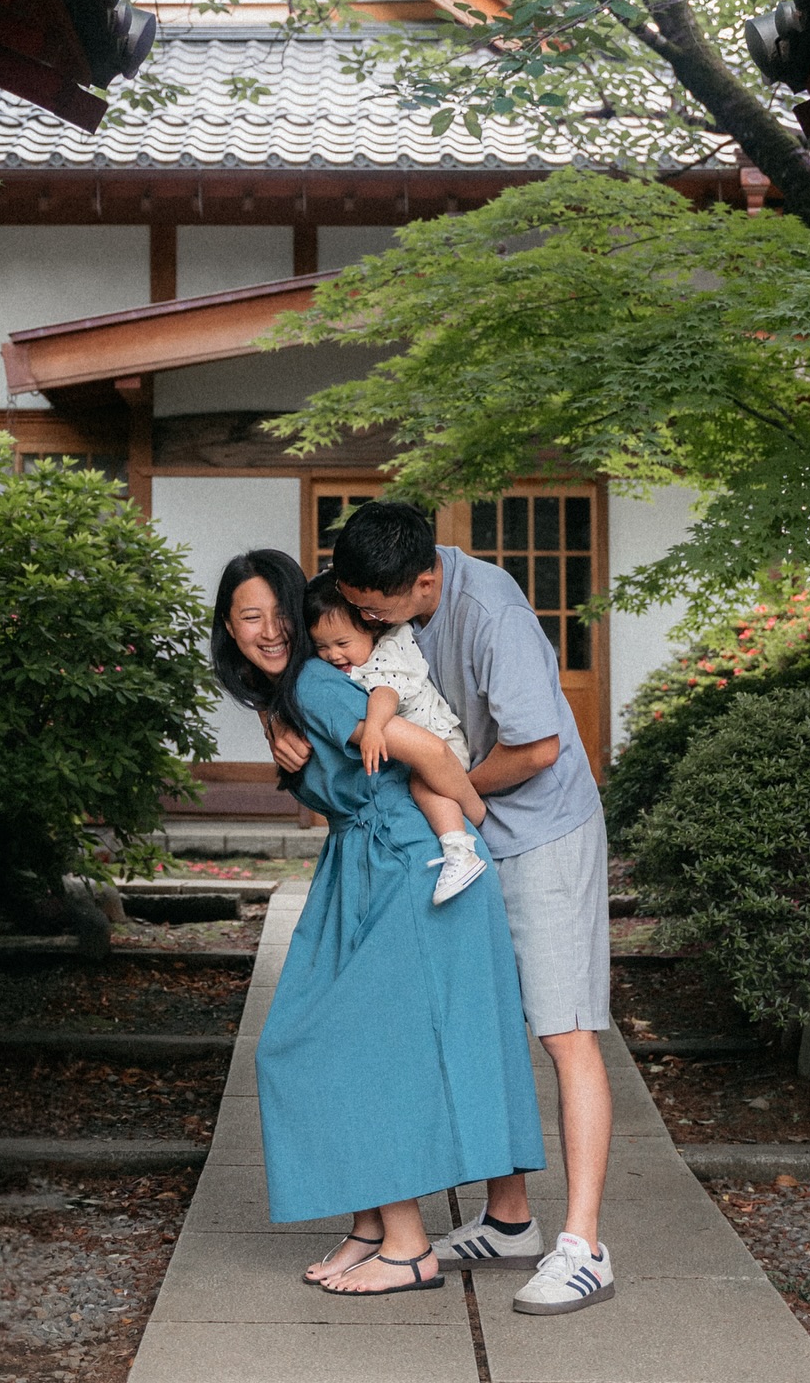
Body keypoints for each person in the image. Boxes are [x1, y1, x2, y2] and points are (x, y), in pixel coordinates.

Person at [270, 500, 616, 1317]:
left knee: (564, 1029)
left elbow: (538, 748)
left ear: (423, 581)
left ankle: (585, 1246)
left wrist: (448, 794)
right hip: (468, 827)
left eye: (373, 607)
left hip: (542, 828)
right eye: (353, 601)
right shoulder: (383, 599)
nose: (360, 617)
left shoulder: (488, 606)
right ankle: (508, 1223)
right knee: (483, 1016)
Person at [211, 548, 547, 1297]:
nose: (268, 630)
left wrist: (474, 819)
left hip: (412, 864)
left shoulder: (313, 684)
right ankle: (370, 1228)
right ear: (229, 631)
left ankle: (407, 1244)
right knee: (313, 1039)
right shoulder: (292, 695)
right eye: (249, 617)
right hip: (364, 867)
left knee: (352, 1045)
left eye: (277, 613)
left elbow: (424, 748)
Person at [304, 569, 487, 904]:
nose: (333, 655)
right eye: (322, 647)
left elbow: (385, 694)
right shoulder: (349, 663)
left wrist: (373, 728)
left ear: (372, 627)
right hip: (426, 744)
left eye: (342, 643)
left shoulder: (389, 651)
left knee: (422, 785)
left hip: (440, 738)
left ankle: (460, 849)